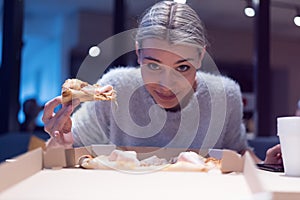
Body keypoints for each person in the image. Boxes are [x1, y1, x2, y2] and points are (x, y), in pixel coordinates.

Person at [43, 1, 264, 162]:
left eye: (182, 67)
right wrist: (59, 142)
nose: (166, 84)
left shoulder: (225, 95)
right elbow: (63, 150)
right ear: (138, 53)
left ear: (200, 57)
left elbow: (240, 152)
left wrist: (268, 165)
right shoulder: (117, 87)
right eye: (153, 66)